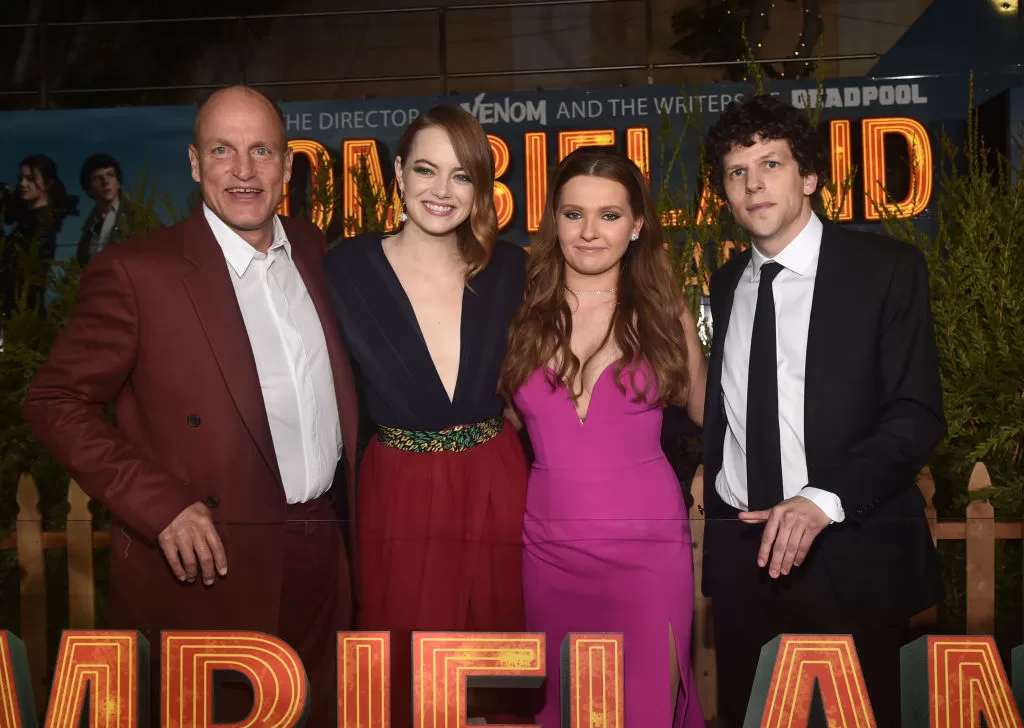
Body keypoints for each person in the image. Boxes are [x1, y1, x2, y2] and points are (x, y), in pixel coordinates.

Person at [22, 85, 359, 725]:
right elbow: (54, 400)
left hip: (321, 552)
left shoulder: (314, 251)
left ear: (288, 166)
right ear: (195, 163)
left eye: (262, 150)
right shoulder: (138, 273)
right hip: (210, 567)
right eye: (222, 151)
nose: (243, 170)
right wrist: (159, 502)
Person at [699, 94, 944, 727]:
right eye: (736, 172)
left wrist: (821, 500)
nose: (753, 184)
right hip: (741, 560)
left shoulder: (885, 270)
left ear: (809, 177)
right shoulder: (725, 284)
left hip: (848, 555)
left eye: (771, 164)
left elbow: (915, 415)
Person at [323, 104, 529, 727]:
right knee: (405, 669)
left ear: (481, 188)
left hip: (497, 478)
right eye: (425, 170)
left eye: (461, 175)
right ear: (398, 173)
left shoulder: (513, 269)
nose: (442, 191)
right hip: (399, 484)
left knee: (501, 664)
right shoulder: (343, 268)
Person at [499, 146, 707, 728]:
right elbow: (509, 420)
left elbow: (712, 410)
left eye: (610, 215)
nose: (590, 232)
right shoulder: (521, 316)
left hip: (647, 559)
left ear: (638, 224)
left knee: (645, 709)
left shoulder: (666, 316)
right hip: (549, 554)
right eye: (573, 214)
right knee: (561, 710)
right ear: (554, 222)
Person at [1, 154, 74, 319]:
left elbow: (20, 270)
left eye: (30, 178)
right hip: (18, 311)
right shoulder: (31, 221)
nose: (23, 184)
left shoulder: (42, 224)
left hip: (22, 315)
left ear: (47, 184)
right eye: (21, 178)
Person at [76, 153, 140, 266]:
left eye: (110, 175)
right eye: (98, 178)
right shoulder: (88, 229)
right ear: (89, 189)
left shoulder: (138, 215)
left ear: (118, 183)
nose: (106, 182)